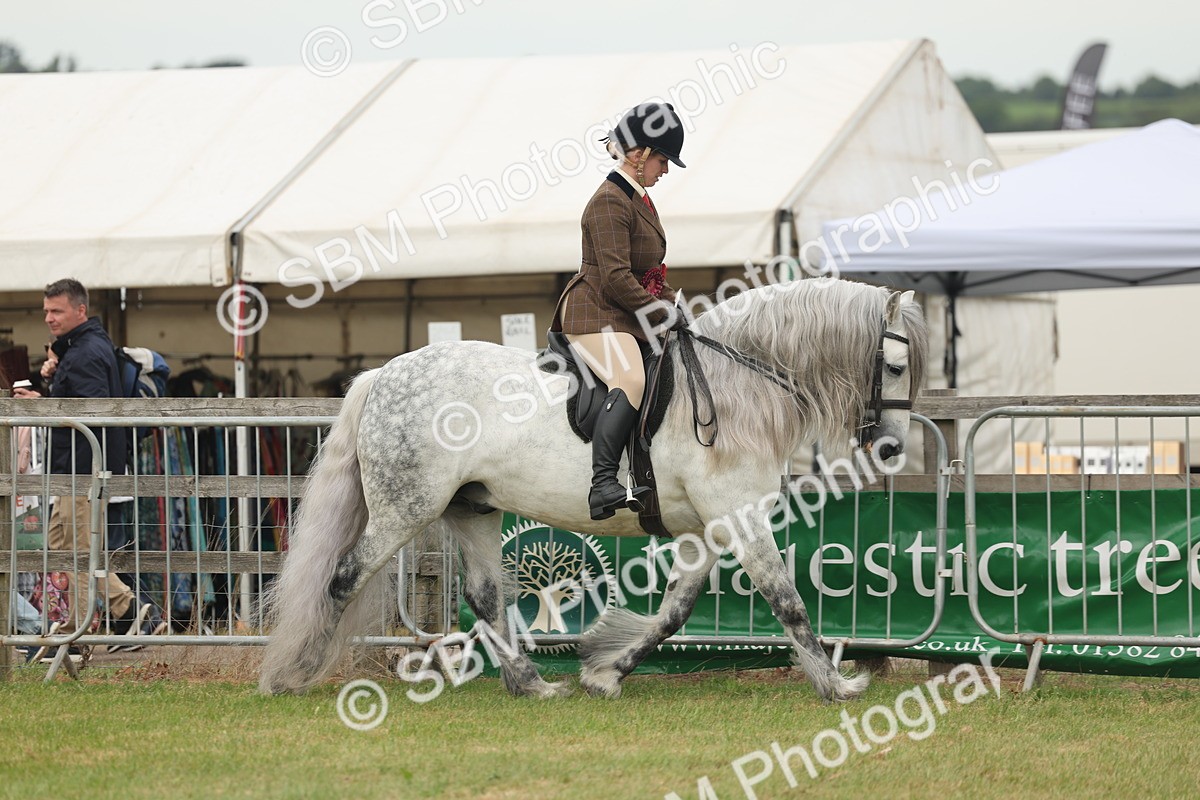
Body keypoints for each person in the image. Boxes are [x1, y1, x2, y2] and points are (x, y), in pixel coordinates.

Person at [551, 101, 687, 521]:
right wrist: (658, 312)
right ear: (639, 153)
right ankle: (603, 484)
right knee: (630, 376)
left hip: (623, 313)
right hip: (593, 313)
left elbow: (647, 274)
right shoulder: (610, 201)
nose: (665, 170)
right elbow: (614, 277)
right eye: (663, 159)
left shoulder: (638, 199)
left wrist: (678, 308)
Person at [13, 278, 164, 647]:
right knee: (64, 547)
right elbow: (81, 403)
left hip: (81, 469)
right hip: (75, 467)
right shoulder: (82, 348)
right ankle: (120, 615)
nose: (49, 317)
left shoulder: (85, 352)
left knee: (77, 550)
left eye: (57, 310)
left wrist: (42, 405)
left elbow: (90, 411)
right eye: (46, 310)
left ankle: (90, 628)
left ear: (80, 310)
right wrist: (50, 386)